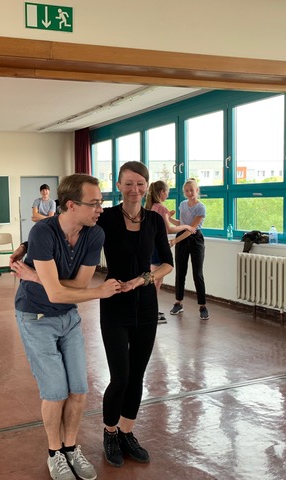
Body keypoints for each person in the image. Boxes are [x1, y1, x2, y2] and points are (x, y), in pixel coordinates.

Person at [10, 174, 121, 480]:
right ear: (71, 205)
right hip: (36, 317)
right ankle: (54, 453)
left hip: (68, 317)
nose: (100, 209)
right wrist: (99, 292)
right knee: (56, 391)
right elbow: (60, 294)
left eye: (101, 202)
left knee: (79, 389)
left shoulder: (94, 234)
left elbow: (78, 285)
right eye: (93, 203)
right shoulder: (42, 232)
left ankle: (71, 447)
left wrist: (39, 278)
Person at [95, 162, 174, 468]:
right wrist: (29, 245)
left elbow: (167, 263)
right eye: (128, 183)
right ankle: (110, 432)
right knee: (120, 376)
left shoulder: (154, 220)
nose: (134, 189)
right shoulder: (106, 217)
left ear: (146, 186)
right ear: (118, 185)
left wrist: (142, 280)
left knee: (138, 374)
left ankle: (127, 432)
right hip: (114, 302)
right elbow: (68, 227)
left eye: (140, 183)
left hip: (145, 304)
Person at [145, 180, 195, 322]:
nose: (167, 195)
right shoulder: (161, 208)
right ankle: (150, 312)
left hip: (150, 246)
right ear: (162, 192)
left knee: (153, 279)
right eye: (167, 192)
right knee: (156, 280)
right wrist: (187, 226)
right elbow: (169, 229)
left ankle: (151, 310)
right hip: (158, 247)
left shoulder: (150, 206)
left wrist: (168, 216)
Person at [168, 177, 209, 320]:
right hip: (181, 236)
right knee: (180, 272)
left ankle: (203, 306)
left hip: (195, 238)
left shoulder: (200, 207)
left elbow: (191, 228)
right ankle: (178, 303)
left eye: (192, 190)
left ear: (197, 190)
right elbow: (181, 223)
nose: (189, 193)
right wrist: (168, 218)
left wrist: (175, 240)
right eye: (186, 191)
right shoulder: (182, 205)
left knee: (197, 273)